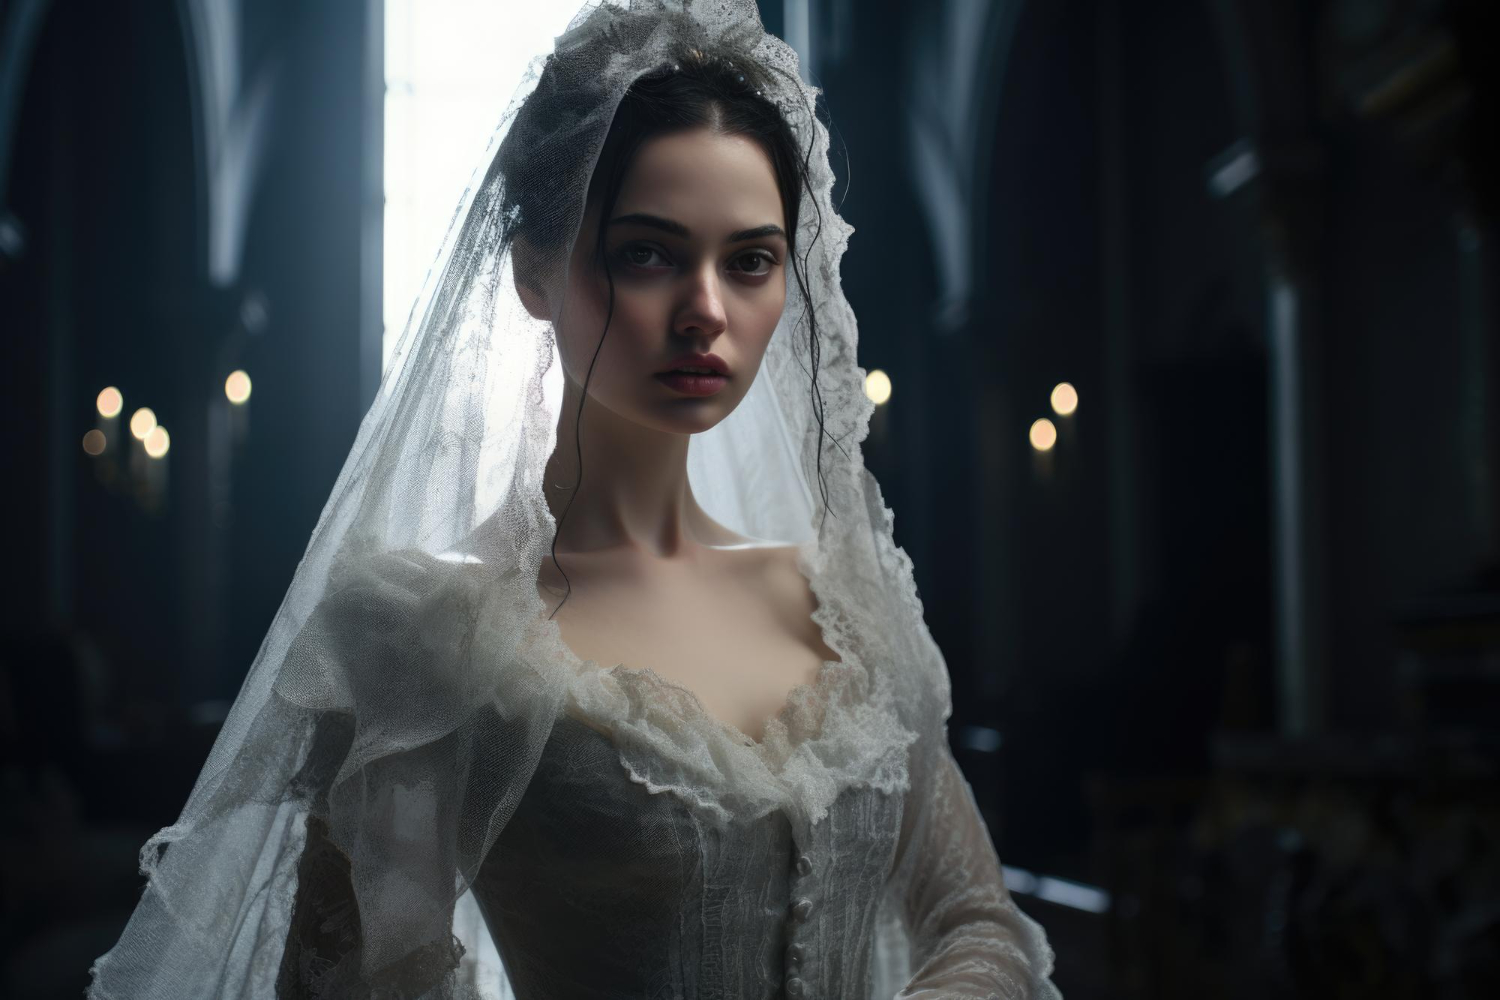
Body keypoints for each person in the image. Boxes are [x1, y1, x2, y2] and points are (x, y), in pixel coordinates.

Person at [87, 2, 1062, 997]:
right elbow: (362, 983)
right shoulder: (428, 636)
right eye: (648, 252)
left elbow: (976, 916)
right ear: (533, 272)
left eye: (751, 261)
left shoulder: (853, 606)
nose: (707, 312)